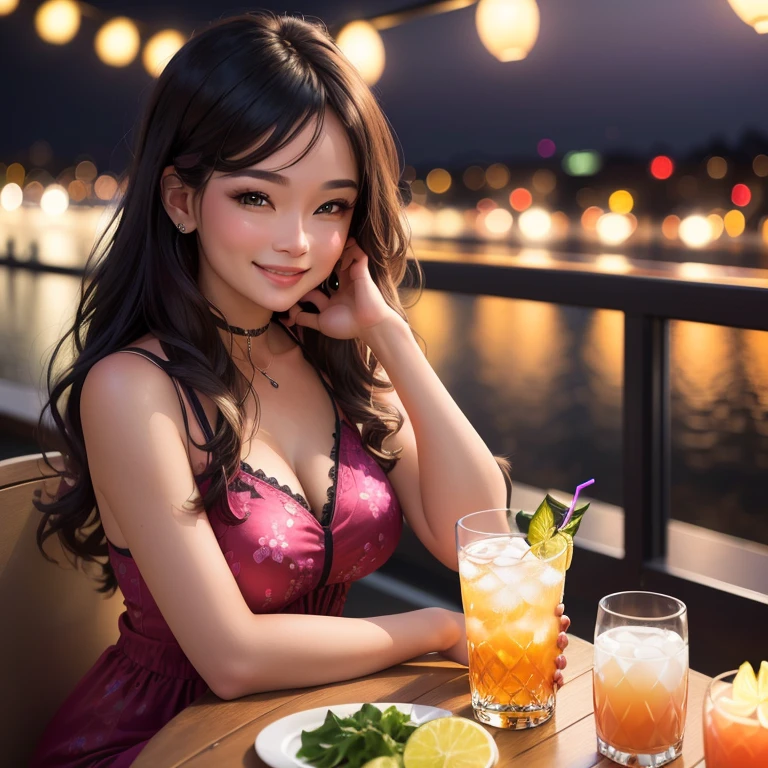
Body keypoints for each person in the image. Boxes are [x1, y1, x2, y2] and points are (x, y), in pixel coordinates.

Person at [30, 12, 570, 767]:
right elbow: (232, 656)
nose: (298, 242)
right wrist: (446, 632)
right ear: (182, 199)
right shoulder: (131, 389)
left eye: (330, 206)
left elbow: (477, 535)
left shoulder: (334, 358)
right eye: (257, 197)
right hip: (161, 743)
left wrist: (391, 336)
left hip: (319, 728)